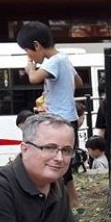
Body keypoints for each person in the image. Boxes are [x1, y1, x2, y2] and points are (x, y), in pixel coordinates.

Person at [17, 22, 84, 208]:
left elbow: (33, 78)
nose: (28, 56)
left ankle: (62, 203)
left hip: (59, 118)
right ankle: (73, 202)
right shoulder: (63, 59)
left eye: (27, 51)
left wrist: (30, 67)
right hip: (67, 117)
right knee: (64, 162)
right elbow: (78, 82)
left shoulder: (55, 61)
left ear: (37, 45)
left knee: (55, 161)